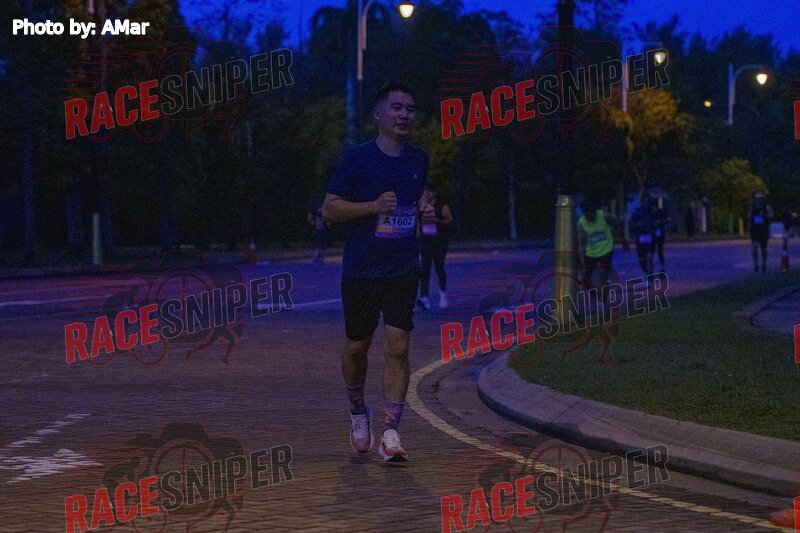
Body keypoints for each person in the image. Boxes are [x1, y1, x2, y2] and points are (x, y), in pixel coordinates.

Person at [322, 82, 434, 462]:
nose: (404, 115)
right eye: (397, 108)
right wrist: (372, 206)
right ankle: (358, 410)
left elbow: (415, 200)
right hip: (362, 268)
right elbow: (330, 209)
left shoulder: (418, 159)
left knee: (398, 345)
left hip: (403, 266)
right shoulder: (356, 159)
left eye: (410, 109)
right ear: (378, 114)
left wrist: (422, 209)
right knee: (357, 346)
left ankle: (391, 431)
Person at [417, 185, 453, 310]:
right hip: (425, 241)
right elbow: (418, 219)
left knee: (439, 267)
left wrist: (436, 220)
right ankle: (424, 298)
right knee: (424, 270)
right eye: (426, 191)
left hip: (439, 241)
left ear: (435, 193)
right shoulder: (422, 205)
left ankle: (443, 294)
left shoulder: (442, 206)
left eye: (429, 191)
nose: (427, 193)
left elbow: (449, 220)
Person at [577, 199, 615, 307]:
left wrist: (622, 238)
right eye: (587, 213)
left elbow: (615, 223)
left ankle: (603, 300)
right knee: (584, 279)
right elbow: (582, 243)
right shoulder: (581, 223)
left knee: (602, 274)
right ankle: (596, 294)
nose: (590, 215)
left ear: (595, 212)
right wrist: (582, 262)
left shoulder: (604, 216)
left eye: (592, 213)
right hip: (592, 252)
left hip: (606, 248)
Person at [629, 191, 657, 282]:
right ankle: (647, 271)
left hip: (650, 236)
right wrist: (637, 225)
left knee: (650, 256)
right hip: (640, 237)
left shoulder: (653, 211)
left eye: (647, 201)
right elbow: (631, 223)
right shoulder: (637, 212)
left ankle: (649, 274)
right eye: (643, 201)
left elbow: (657, 222)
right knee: (642, 259)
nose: (645, 203)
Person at [748, 192, 773, 273]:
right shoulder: (752, 207)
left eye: (760, 199)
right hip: (755, 230)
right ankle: (756, 264)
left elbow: (770, 216)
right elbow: (749, 216)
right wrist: (750, 223)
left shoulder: (766, 207)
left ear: (762, 199)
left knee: (763, 249)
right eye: (757, 199)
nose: (758, 200)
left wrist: (764, 216)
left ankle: (764, 263)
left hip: (763, 230)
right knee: (755, 247)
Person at [653, 198, 670, 272]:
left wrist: (660, 222)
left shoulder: (662, 211)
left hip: (658, 230)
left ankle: (661, 265)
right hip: (654, 230)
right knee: (654, 249)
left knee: (660, 248)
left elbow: (665, 220)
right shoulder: (653, 211)